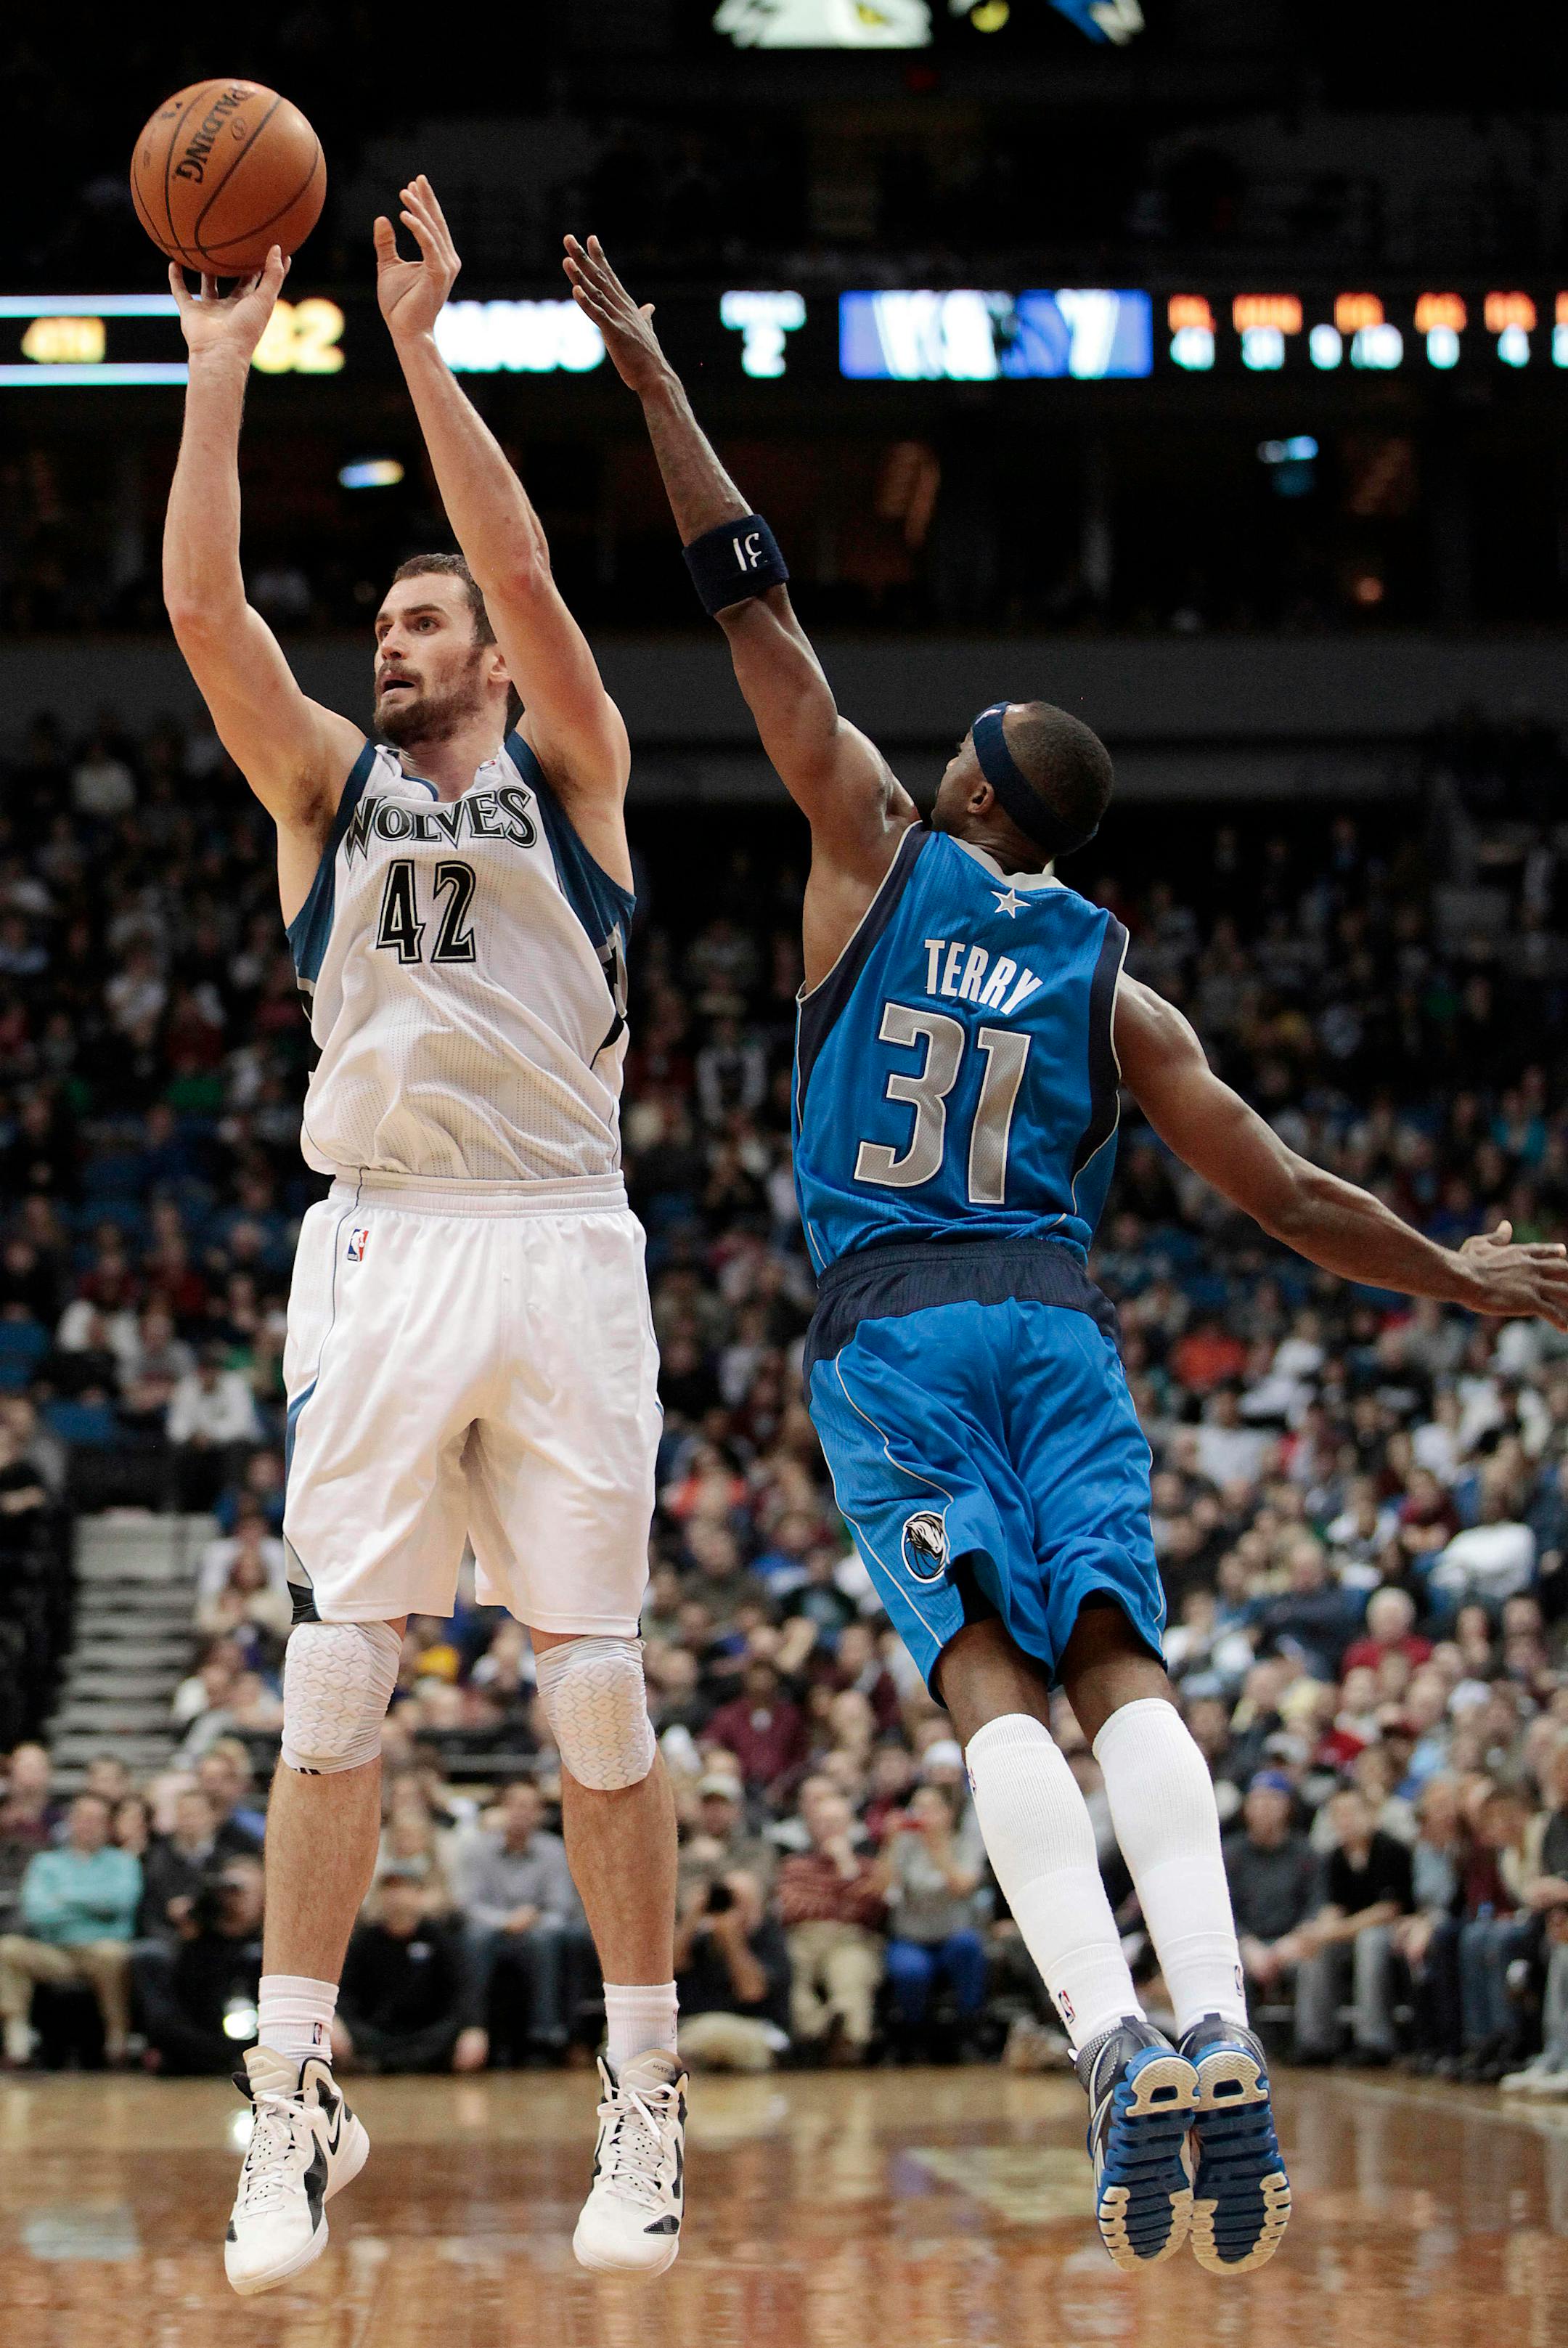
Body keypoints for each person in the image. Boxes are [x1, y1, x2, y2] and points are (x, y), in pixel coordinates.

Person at [567, 228, 1568, 2275]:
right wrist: (1465, 1279)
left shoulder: (867, 843)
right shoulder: (1121, 989)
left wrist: (659, 384)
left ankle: (1115, 2041)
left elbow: (751, 605)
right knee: (1128, 1664)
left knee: (989, 1688)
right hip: (1059, 1321)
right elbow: (1289, 1201)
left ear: (970, 784)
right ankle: (1226, 2022)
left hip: (894, 1333)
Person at [164, 179, 675, 2296]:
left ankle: (643, 2102)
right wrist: (215, 366)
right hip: (380, 1241)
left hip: (562, 1238)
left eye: (423, 618)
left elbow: (538, 566)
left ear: (491, 660)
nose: (395, 637)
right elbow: (209, 619)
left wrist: (420, 345)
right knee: (337, 1679)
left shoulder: (578, 770)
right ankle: (294, 2096)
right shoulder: (323, 799)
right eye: (380, 616)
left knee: (602, 1698)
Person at [453, 1780, 593, 2063]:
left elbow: (561, 1908)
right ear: (503, 1809)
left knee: (546, 1938)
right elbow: (469, 1904)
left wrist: (531, 1920)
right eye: (515, 1805)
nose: (521, 1813)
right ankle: (474, 2028)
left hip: (540, 1929)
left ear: (540, 1813)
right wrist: (505, 1921)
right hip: (493, 1930)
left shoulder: (555, 1850)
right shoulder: (477, 1849)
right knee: (474, 1938)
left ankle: (545, 2034)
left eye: (529, 1806)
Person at [0, 1792, 140, 2066]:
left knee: (113, 1955)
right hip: (54, 1951)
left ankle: (117, 2044)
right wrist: (94, 1905)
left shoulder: (124, 1862)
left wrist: (64, 1898)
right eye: (83, 1819)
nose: (89, 1826)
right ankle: (17, 2045)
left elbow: (120, 1902)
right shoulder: (46, 1863)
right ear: (71, 1822)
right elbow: (37, 1912)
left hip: (101, 1950)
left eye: (96, 1820)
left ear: (108, 1825)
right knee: (7, 1949)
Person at [1291, 1786, 1413, 2064]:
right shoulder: (1336, 1857)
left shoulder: (1392, 1850)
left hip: (1393, 1930)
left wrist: (1335, 1931)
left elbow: (1389, 1909)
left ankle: (1375, 2041)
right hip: (1352, 1932)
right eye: (1337, 1815)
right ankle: (1315, 2041)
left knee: (1371, 1942)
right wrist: (1320, 1932)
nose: (1344, 1821)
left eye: (1351, 1813)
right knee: (1316, 1948)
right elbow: (1333, 1906)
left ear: (1371, 1815)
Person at [774, 1790, 887, 2063]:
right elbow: (792, 1908)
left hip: (851, 1940)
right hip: (803, 1939)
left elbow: (870, 1907)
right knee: (793, 1980)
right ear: (810, 1827)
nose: (830, 1830)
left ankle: (848, 2042)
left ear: (850, 1826)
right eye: (823, 1823)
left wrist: (846, 1865)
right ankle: (821, 2030)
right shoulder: (793, 1866)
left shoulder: (869, 1867)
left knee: (851, 1976)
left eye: (837, 1823)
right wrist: (843, 1899)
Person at [335, 1862, 476, 2075]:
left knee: (464, 2043)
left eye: (404, 1888)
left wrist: (473, 2028)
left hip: (429, 2034)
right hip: (376, 2035)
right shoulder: (362, 1941)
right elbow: (343, 1993)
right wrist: (336, 2023)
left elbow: (463, 1991)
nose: (397, 1896)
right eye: (390, 1889)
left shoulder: (441, 1939)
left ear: (420, 1894)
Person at [132, 1855, 266, 2076]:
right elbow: (168, 2021)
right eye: (226, 1889)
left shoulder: (262, 1952)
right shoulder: (197, 1947)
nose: (232, 1899)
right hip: (200, 2053)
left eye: (241, 1890)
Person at [882, 1782, 987, 2045]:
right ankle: (916, 2037)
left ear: (948, 1813)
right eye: (918, 1808)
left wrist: (938, 1849)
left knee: (968, 1948)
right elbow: (881, 1889)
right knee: (910, 1971)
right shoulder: (904, 1845)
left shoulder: (965, 1843)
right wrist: (890, 1844)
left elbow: (962, 1887)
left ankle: (969, 2029)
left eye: (931, 1809)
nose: (923, 1815)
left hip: (953, 1934)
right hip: (911, 1937)